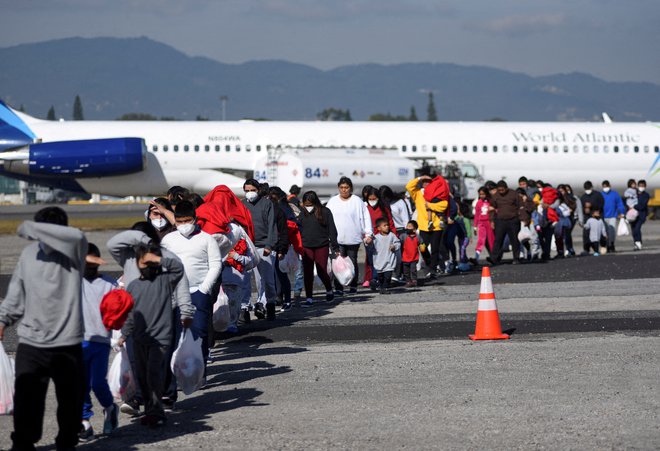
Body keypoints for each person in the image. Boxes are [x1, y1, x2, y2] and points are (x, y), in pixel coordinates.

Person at [0, 207, 88, 450]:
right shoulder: (29, 254)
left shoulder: (75, 251)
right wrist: (3, 319)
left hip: (67, 343)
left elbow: (77, 236)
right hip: (31, 343)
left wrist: (29, 226)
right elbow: (17, 291)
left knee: (70, 401)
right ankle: (24, 443)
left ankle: (67, 442)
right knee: (28, 400)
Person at [107, 221, 194, 415]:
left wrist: (186, 312)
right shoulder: (128, 257)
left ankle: (167, 396)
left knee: (164, 358)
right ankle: (138, 397)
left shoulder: (167, 258)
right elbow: (112, 244)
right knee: (136, 359)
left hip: (164, 314)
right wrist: (140, 238)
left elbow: (181, 283)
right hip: (135, 315)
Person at [118, 243, 190, 428]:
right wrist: (124, 334)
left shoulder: (165, 281)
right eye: (144, 261)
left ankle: (157, 412)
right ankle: (150, 410)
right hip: (141, 338)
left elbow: (178, 268)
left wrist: (158, 258)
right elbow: (130, 314)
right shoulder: (133, 286)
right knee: (142, 377)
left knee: (153, 374)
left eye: (152, 262)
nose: (147, 265)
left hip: (161, 339)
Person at [161, 200, 221, 372]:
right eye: (179, 222)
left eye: (187, 221)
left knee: (199, 332)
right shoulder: (168, 240)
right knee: (175, 334)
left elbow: (215, 265)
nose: (183, 225)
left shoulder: (206, 239)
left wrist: (204, 289)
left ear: (194, 219)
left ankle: (199, 369)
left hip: (197, 292)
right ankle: (177, 370)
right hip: (174, 294)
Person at [79, 243, 119, 441]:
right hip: (76, 341)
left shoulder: (110, 285)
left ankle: (110, 408)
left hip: (101, 341)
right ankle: (84, 421)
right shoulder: (72, 282)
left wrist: (120, 337)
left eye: (92, 263)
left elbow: (121, 313)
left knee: (97, 383)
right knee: (80, 383)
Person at [326, 177, 373, 295]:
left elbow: (366, 218)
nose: (344, 190)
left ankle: (353, 286)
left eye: (346, 187)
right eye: (341, 187)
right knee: (338, 263)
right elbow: (326, 218)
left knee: (352, 263)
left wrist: (368, 233)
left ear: (350, 188)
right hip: (337, 238)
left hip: (353, 237)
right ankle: (338, 288)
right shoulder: (332, 201)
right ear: (338, 188)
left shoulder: (357, 201)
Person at [242, 178, 279, 320]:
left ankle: (270, 304)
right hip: (247, 247)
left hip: (263, 246)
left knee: (267, 279)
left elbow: (271, 225)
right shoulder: (242, 204)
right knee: (247, 281)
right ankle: (248, 307)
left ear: (258, 190)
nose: (250, 193)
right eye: (247, 190)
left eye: (252, 190)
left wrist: (269, 245)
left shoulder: (266, 203)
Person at [298, 191, 339, 305]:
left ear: (315, 202)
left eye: (310, 204)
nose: (308, 207)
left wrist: (335, 247)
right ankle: (309, 297)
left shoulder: (325, 212)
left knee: (321, 270)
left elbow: (332, 230)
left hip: (322, 245)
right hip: (306, 246)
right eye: (306, 205)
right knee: (307, 272)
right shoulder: (301, 213)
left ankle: (329, 290)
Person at [406, 175, 448, 276]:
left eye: (428, 181)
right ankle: (430, 264)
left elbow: (444, 205)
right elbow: (409, 186)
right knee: (422, 247)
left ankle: (433, 269)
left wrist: (430, 206)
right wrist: (420, 177)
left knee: (435, 248)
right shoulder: (418, 193)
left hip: (436, 226)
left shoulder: (438, 193)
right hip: (423, 226)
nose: (426, 183)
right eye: (424, 181)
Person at [220, 228, 256, 333]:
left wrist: (236, 257)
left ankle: (232, 324)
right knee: (222, 304)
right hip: (221, 281)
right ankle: (221, 324)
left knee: (234, 304)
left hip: (237, 280)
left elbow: (250, 261)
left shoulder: (244, 244)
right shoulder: (220, 242)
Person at [364, 186, 397, 288]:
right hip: (370, 238)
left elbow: (391, 223)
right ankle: (371, 278)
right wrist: (364, 237)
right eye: (370, 199)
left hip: (384, 238)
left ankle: (377, 279)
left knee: (381, 259)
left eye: (374, 199)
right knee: (371, 259)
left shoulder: (384, 208)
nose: (372, 201)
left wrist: (394, 236)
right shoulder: (365, 208)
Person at [488, 180, 522, 265]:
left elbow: (520, 205)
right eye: (499, 190)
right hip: (500, 221)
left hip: (513, 220)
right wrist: (491, 220)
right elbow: (491, 208)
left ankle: (516, 258)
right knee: (498, 239)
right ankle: (494, 258)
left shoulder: (514, 194)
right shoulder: (495, 196)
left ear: (506, 188)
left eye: (502, 190)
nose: (501, 192)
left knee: (514, 239)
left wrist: (519, 217)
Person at [371, 217, 401, 294]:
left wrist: (394, 246)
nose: (387, 226)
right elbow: (369, 245)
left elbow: (398, 243)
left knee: (387, 276)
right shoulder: (375, 238)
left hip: (389, 261)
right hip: (379, 261)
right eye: (384, 225)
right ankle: (380, 286)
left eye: (387, 225)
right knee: (380, 277)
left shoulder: (392, 235)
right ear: (379, 228)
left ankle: (385, 288)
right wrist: (368, 242)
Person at [580, 181, 605, 255]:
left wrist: (592, 207)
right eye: (586, 188)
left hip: (597, 217)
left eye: (588, 188)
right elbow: (581, 207)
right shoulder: (583, 196)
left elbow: (601, 204)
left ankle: (601, 247)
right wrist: (585, 209)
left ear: (591, 187)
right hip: (587, 217)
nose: (587, 190)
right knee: (586, 233)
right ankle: (586, 249)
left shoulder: (598, 195)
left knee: (598, 233)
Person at [601, 180, 625, 252]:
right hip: (603, 217)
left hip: (612, 216)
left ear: (610, 186)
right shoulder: (600, 194)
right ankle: (606, 245)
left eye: (607, 186)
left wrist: (622, 212)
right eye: (604, 186)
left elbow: (620, 204)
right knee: (604, 232)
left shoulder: (615, 194)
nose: (605, 188)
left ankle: (611, 245)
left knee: (612, 232)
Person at [472, 186, 494, 264]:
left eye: (483, 194)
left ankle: (493, 257)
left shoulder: (491, 201)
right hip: (481, 223)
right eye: (480, 194)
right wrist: (475, 226)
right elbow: (477, 215)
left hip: (489, 222)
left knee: (491, 240)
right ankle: (476, 257)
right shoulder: (479, 202)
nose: (481, 196)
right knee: (481, 240)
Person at [631, 180, 650, 250]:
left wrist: (634, 206)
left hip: (641, 215)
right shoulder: (634, 193)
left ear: (645, 187)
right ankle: (636, 243)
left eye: (643, 186)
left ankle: (638, 242)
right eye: (640, 186)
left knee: (637, 228)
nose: (641, 187)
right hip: (632, 215)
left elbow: (642, 206)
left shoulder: (646, 195)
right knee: (633, 230)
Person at [401, 220, 420, 288]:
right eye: (407, 226)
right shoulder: (403, 236)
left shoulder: (417, 237)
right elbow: (399, 241)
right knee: (406, 271)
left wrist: (423, 246)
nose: (407, 228)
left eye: (409, 226)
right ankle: (408, 281)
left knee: (413, 270)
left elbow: (421, 243)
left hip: (414, 258)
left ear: (414, 229)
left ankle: (414, 281)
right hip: (405, 258)